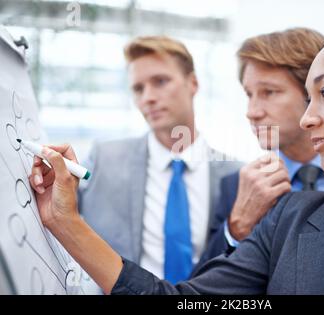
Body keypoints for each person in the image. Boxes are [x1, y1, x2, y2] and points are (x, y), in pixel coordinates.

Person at [29, 21, 324, 294]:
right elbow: (185, 298)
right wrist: (65, 222)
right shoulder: (291, 217)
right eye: (248, 94)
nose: (307, 118)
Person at [76, 36, 240, 284]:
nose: (148, 98)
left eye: (160, 82)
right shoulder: (103, 160)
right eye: (138, 89)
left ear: (193, 83)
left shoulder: (235, 175)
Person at [193, 28, 324, 273]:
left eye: (269, 92)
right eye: (249, 95)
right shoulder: (235, 188)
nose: (252, 111)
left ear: (314, 94)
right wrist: (237, 226)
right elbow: (198, 290)